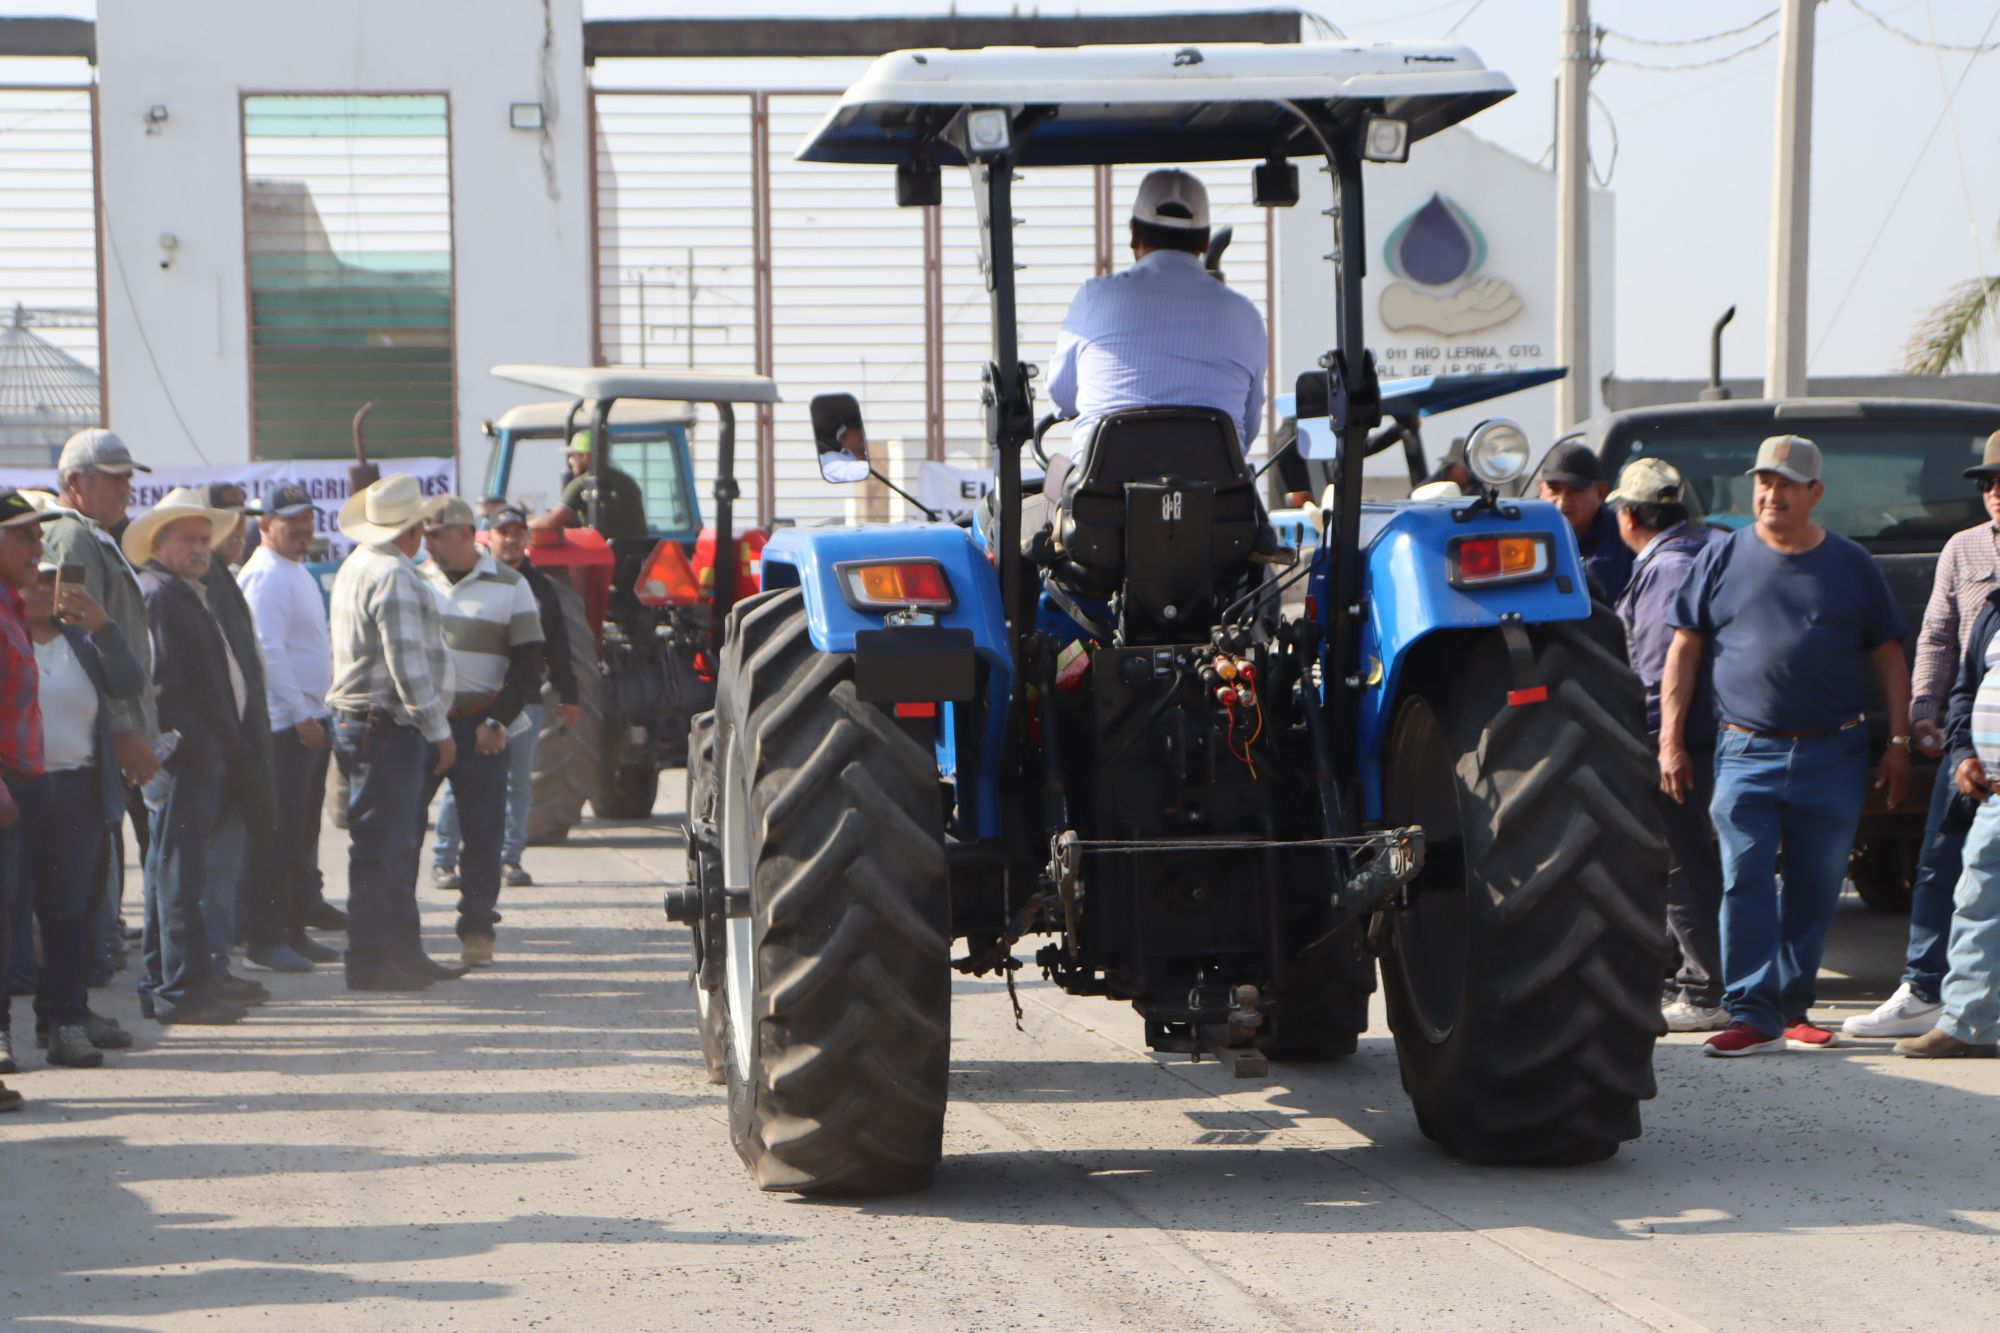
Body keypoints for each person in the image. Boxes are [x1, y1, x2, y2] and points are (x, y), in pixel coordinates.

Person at [1662, 435, 1911, 1057]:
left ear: (1815, 493)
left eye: (1787, 484)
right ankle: (1752, 1014)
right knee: (1744, 879)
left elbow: (1888, 655)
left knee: (1816, 884)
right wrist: (1671, 739)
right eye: (1764, 482)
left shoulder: (1852, 564)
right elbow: (1684, 646)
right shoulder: (1721, 556)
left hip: (1834, 753)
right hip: (1744, 751)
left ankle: (1794, 1009)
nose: (1772, 494)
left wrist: (1899, 741)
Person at [1848, 428, 2000, 1040]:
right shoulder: (1963, 549)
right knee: (1943, 863)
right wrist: (1922, 715)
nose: (1996, 492)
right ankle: (1925, 989)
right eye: (1989, 482)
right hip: (1971, 743)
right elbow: (1938, 637)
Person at [129, 487, 263, 1024]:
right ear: (159, 543)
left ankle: (167, 982)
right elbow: (165, 686)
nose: (200, 548)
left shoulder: (180, 590)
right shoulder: (162, 594)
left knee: (172, 872)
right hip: (187, 757)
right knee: (179, 877)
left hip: (195, 754)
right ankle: (181, 990)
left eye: (205, 539)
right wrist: (202, 744)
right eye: (188, 538)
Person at [326, 474, 464, 991]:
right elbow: (406, 663)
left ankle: (400, 953)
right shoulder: (394, 575)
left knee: (392, 844)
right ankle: (371, 961)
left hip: (368, 723)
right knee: (384, 847)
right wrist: (437, 727)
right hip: (384, 725)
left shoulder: (360, 564)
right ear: (413, 530)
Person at [42, 429, 163, 980]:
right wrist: (119, 728)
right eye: (113, 479)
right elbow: (76, 634)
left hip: (112, 722)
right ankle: (85, 978)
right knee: (91, 866)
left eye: (127, 479)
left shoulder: (95, 535)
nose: (125, 489)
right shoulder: (71, 537)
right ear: (75, 482)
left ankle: (91, 970)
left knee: (100, 862)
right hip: (99, 731)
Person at [1608, 457, 1725, 1032]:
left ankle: (1702, 990)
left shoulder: (1667, 568)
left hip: (1681, 743)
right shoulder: (1707, 549)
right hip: (1713, 737)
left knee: (1682, 867)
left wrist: (1657, 746)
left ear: (1630, 516)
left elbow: (1658, 672)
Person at [1047, 168, 1267, 459]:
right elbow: (1248, 427)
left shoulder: (1094, 297)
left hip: (1105, 487)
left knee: (1052, 477)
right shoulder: (1246, 315)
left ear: (1134, 234)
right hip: (1215, 487)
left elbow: (1062, 397)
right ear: (1205, 242)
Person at [18, 563, 144, 1066]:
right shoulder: (8, 640)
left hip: (79, 790)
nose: (42, 589)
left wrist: (104, 628)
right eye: (32, 579)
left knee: (69, 916)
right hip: (16, 793)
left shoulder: (78, 641)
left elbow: (129, 682)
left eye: (51, 580)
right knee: (10, 917)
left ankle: (66, 1023)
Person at [419, 496, 544, 967]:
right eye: (426, 535)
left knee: (483, 834)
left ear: (467, 535)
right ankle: (402, 931)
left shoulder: (511, 586)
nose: (429, 544)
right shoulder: (416, 580)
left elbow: (528, 665)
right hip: (425, 726)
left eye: (437, 535)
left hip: (480, 728)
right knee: (405, 828)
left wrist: (497, 723)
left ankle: (476, 930)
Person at [434, 504, 581, 888]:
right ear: (489, 536)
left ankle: (510, 858)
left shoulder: (540, 588)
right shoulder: (465, 582)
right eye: (504, 532)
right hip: (475, 704)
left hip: (524, 703)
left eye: (519, 532)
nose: (512, 540)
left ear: (527, 537)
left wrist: (569, 694)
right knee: (460, 780)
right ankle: (444, 859)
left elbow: (558, 644)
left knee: (518, 782)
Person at [236, 483, 341, 969]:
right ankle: (267, 939)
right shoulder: (266, 575)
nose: (303, 528)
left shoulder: (293, 569)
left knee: (299, 835)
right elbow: (267, 652)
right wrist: (301, 716)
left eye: (307, 519)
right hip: (285, 727)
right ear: (264, 524)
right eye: (291, 520)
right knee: (277, 837)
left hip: (308, 721)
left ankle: (294, 931)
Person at [1899, 574, 2000, 1057]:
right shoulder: (1994, 609)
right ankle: (1966, 1025)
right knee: (1976, 903)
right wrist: (1963, 755)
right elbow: (1965, 692)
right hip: (1992, 794)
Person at [197, 493, 296, 977]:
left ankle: (218, 962)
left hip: (242, 736)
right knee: (216, 863)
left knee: (230, 856)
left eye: (243, 522)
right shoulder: (208, 581)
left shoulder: (223, 576)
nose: (239, 530)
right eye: (227, 522)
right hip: (225, 743)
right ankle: (213, 967)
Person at [0, 491, 62, 1104]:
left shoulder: (12, 605)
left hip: (22, 785)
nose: (36, 546)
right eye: (23, 535)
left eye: (38, 535)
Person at [1535, 441, 1633, 602]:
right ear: (1540, 489)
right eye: (1554, 489)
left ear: (1601, 492)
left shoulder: (1627, 536)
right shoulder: (1520, 536)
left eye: (1576, 490)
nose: (1562, 502)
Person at [534, 430, 649, 540]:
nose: (570, 461)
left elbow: (552, 522)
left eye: (573, 455)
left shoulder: (582, 483)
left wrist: (526, 526)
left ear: (585, 457)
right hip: (638, 551)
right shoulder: (628, 481)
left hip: (603, 551)